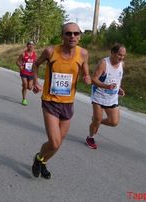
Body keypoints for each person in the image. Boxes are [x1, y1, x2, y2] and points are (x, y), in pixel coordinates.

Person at [31, 22, 91, 179]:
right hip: (50, 101)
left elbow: (85, 71)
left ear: (80, 36)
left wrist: (86, 77)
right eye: (68, 33)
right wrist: (35, 81)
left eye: (76, 33)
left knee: (57, 144)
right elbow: (35, 65)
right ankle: (38, 157)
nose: (72, 36)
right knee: (55, 142)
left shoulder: (83, 53)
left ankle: (42, 161)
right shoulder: (51, 51)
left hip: (68, 103)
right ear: (62, 36)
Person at [85, 44, 126, 149]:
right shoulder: (104, 63)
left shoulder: (122, 64)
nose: (121, 58)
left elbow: (116, 79)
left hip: (112, 98)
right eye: (119, 55)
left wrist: (119, 89)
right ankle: (90, 138)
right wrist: (106, 86)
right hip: (99, 95)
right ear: (112, 52)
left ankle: (96, 121)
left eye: (123, 55)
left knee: (114, 122)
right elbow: (94, 79)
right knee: (97, 119)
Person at [16, 41, 37, 106]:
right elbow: (17, 61)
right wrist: (20, 66)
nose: (31, 46)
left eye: (32, 45)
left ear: (33, 46)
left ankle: (24, 86)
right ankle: (24, 99)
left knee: (30, 87)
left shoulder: (35, 54)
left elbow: (36, 63)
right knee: (25, 84)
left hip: (31, 73)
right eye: (29, 45)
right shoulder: (23, 54)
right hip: (24, 71)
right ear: (27, 46)